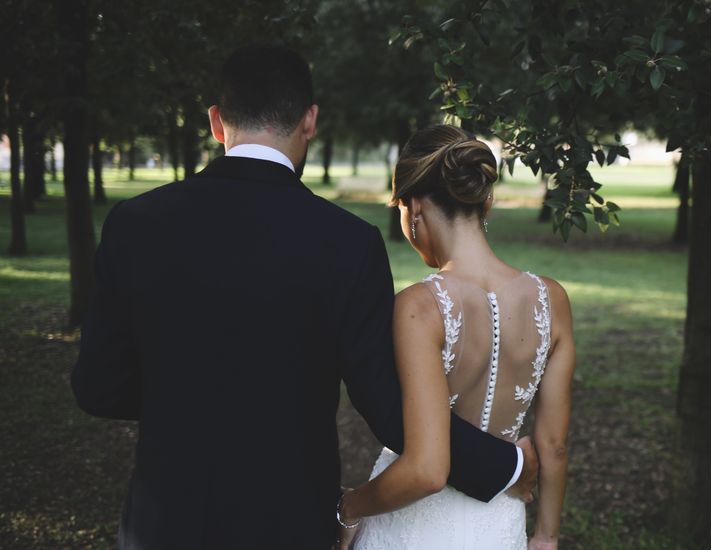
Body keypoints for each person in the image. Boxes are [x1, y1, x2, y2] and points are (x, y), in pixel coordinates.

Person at [70, 45, 537, 550]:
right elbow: (386, 404)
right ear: (309, 120)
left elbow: (98, 388)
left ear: (215, 122)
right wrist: (507, 464)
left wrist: (184, 394)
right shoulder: (348, 242)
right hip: (291, 525)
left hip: (165, 524)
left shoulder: (135, 225)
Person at [339, 125, 576, 550]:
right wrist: (546, 536)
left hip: (413, 528)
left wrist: (350, 507)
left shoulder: (418, 306)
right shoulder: (552, 300)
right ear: (486, 201)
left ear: (413, 208)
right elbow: (554, 446)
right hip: (499, 526)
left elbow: (425, 470)